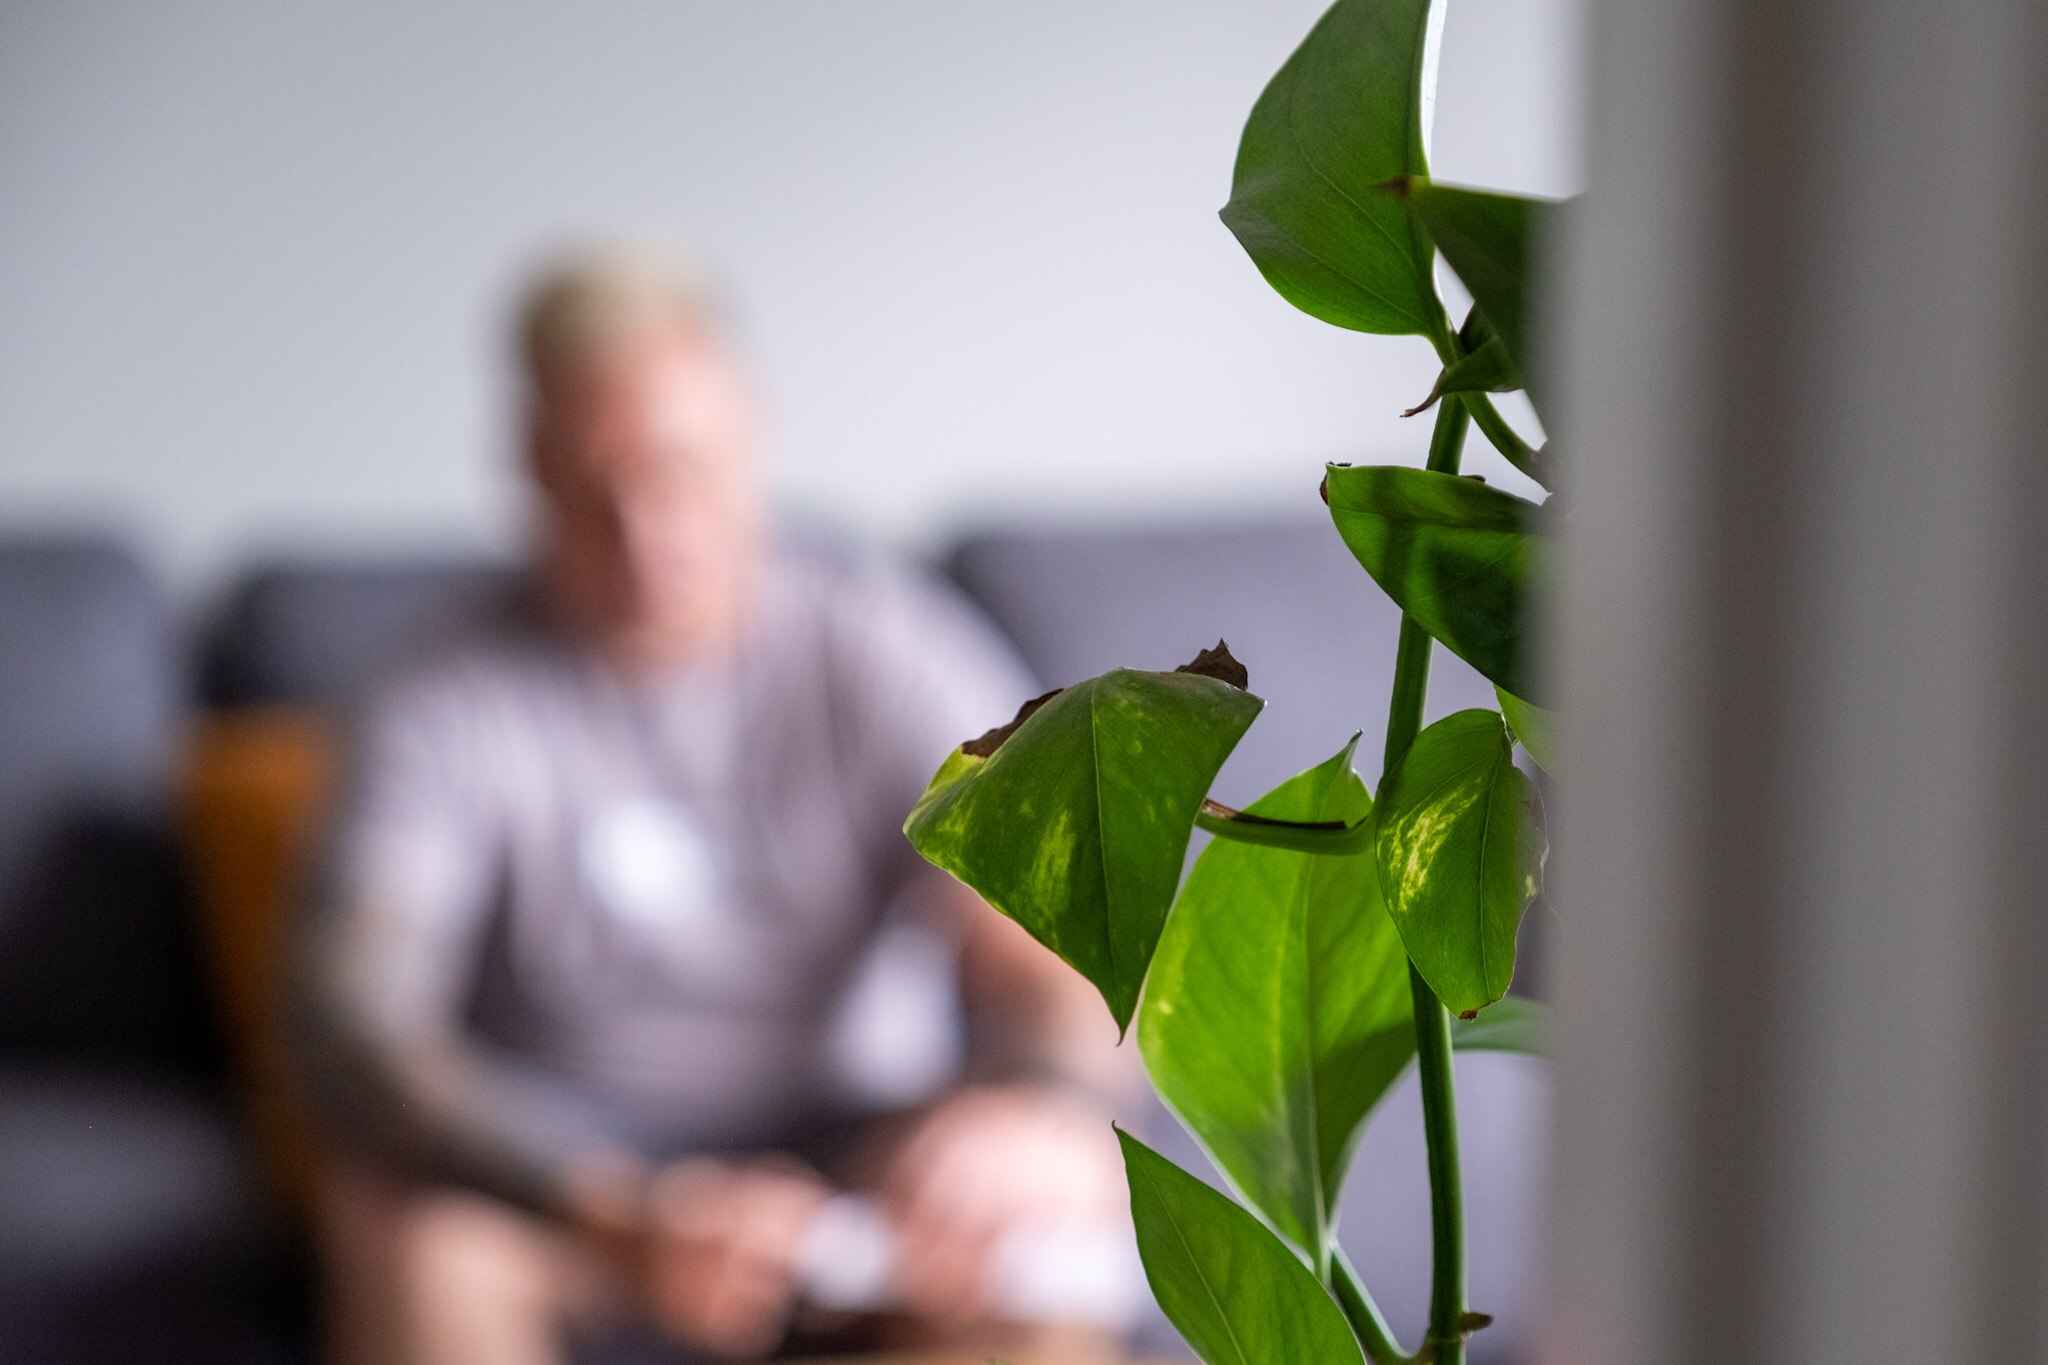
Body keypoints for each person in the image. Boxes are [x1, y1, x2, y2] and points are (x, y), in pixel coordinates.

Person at [289, 247, 1131, 1365]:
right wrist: (616, 1213)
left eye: (678, 470)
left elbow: (1045, 945)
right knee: (406, 1229)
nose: (645, 536)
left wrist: (1032, 1106)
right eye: (598, 490)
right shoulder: (436, 699)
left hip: (856, 1172)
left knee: (1056, 1211)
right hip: (575, 1192)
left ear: (749, 433)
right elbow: (349, 1028)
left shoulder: (881, 645)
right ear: (529, 468)